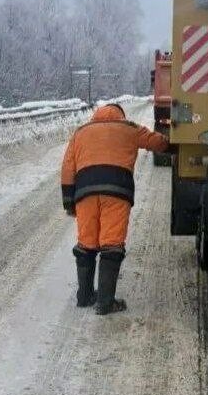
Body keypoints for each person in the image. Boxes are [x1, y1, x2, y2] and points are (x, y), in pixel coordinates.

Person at [61, 102, 170, 314]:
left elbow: (67, 167)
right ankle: (105, 302)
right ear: (121, 115)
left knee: (86, 243)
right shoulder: (129, 128)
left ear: (96, 115)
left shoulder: (81, 132)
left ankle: (84, 296)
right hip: (116, 191)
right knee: (112, 244)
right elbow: (157, 142)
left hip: (85, 193)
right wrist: (173, 143)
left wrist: (68, 202)